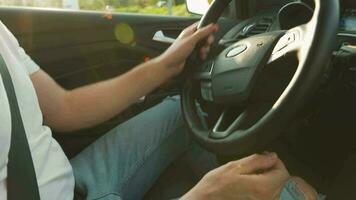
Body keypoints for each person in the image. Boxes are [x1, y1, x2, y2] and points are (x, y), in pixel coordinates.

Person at [0, 19, 319, 200]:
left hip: (75, 184)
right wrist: (205, 196)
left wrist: (166, 64)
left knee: (187, 113)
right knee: (293, 193)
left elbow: (65, 106)